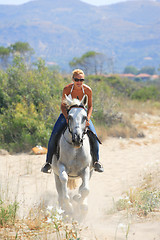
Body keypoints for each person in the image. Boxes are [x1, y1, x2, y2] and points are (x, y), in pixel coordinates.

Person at [41, 69, 104, 173]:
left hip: (82, 116)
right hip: (67, 114)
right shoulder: (67, 89)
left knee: (94, 135)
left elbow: (91, 106)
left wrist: (88, 118)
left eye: (81, 80)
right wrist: (66, 117)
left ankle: (96, 161)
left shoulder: (88, 90)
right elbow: (62, 106)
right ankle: (48, 163)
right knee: (54, 134)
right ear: (72, 79)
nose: (79, 82)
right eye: (77, 79)